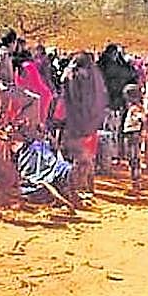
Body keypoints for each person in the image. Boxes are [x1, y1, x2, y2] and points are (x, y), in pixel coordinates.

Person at [61, 52, 108, 201]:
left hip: (74, 121)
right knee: (87, 155)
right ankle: (88, 185)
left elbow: (68, 96)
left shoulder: (73, 75)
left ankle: (79, 186)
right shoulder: (95, 76)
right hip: (91, 122)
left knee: (77, 155)